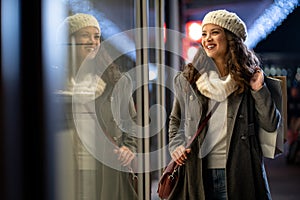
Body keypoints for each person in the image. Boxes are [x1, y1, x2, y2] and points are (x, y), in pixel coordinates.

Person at [167, 9, 281, 200]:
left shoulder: (249, 79)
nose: (207, 39)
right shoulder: (187, 79)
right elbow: (175, 121)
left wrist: (258, 90)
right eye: (204, 34)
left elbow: (271, 124)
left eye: (215, 32)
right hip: (197, 173)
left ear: (231, 38)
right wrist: (176, 147)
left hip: (241, 172)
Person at [54, 13, 138, 200]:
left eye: (97, 36)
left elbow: (133, 123)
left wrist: (129, 148)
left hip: (106, 166)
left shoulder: (116, 82)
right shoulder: (52, 83)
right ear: (68, 41)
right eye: (85, 35)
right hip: (64, 167)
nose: (92, 41)